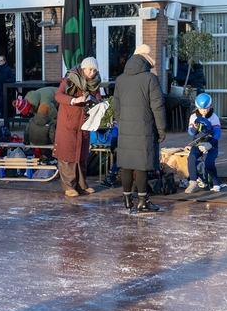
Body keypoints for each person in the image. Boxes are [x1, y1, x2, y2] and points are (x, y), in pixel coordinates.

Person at [112, 45, 166, 212]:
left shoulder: (120, 79)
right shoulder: (150, 78)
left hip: (126, 128)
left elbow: (116, 106)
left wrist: (122, 123)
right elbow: (157, 106)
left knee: (127, 165)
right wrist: (161, 129)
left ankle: (127, 199)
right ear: (147, 59)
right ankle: (143, 201)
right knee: (142, 165)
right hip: (144, 128)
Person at [54, 57, 103, 198]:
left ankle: (82, 185)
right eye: (90, 70)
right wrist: (74, 100)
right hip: (68, 122)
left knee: (82, 154)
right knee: (67, 154)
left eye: (95, 70)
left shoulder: (95, 83)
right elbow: (58, 95)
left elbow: (98, 96)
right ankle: (69, 186)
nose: (92, 73)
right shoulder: (69, 79)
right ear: (83, 68)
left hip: (84, 122)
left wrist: (100, 104)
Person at [184, 93, 225, 193]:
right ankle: (193, 183)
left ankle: (216, 182)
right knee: (191, 158)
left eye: (206, 108)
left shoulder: (214, 117)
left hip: (211, 143)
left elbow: (218, 132)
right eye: (201, 109)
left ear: (210, 106)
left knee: (209, 163)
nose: (204, 111)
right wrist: (194, 128)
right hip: (198, 143)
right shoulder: (193, 117)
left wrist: (211, 143)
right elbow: (190, 132)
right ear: (197, 107)